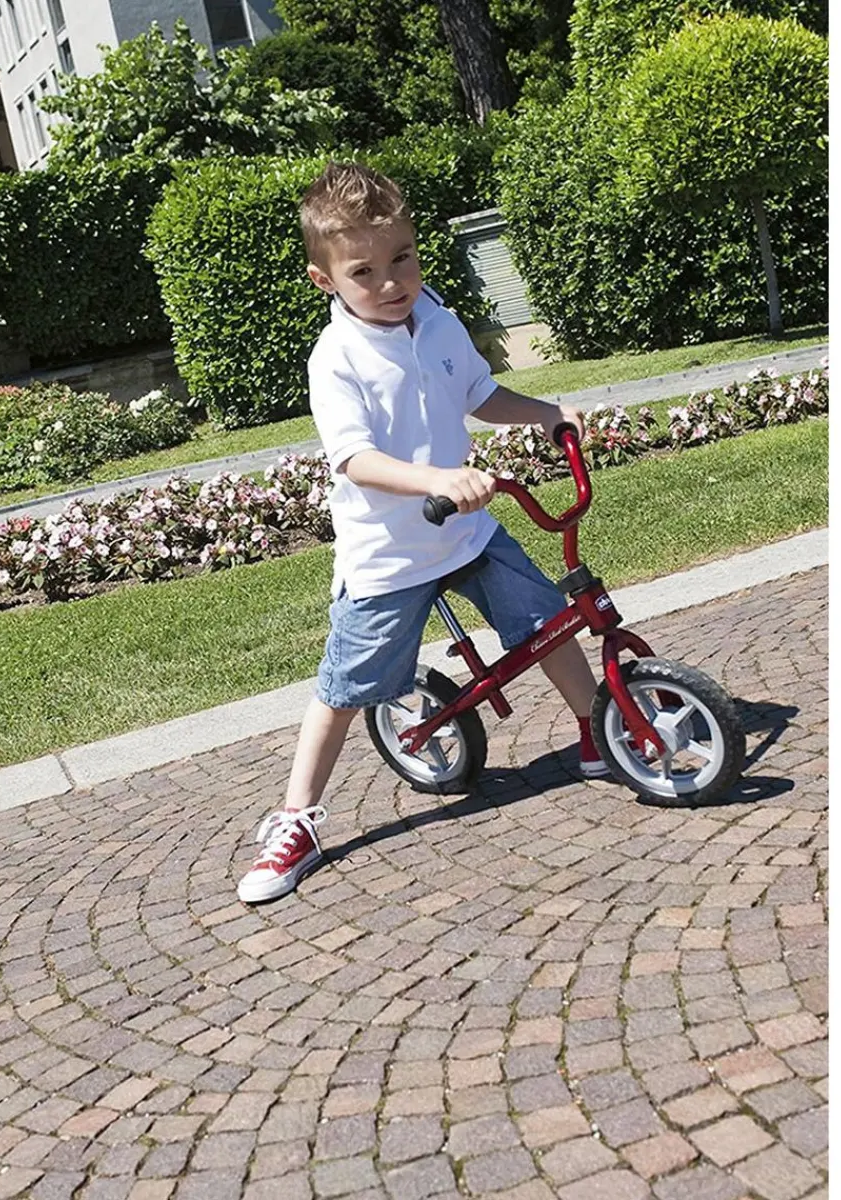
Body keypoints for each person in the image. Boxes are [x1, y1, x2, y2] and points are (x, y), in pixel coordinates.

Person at [237, 162, 607, 904]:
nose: (390, 282)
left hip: (464, 532)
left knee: (547, 621)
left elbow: (479, 393)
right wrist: (436, 478)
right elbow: (355, 459)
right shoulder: (336, 358)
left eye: (401, 259)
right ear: (325, 281)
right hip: (388, 555)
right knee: (347, 687)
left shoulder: (438, 320)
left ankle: (601, 727)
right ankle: (297, 820)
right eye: (363, 272)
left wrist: (544, 413)